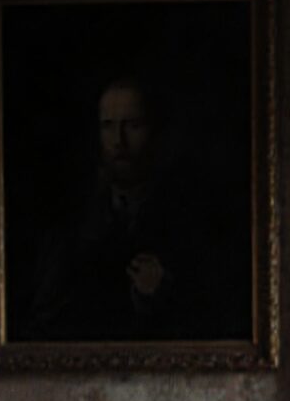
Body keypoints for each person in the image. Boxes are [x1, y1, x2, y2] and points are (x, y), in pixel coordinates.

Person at [23, 76, 247, 342]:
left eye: (133, 125)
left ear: (157, 132)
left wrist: (165, 292)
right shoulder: (72, 220)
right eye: (108, 126)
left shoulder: (193, 214)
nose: (119, 141)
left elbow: (221, 316)